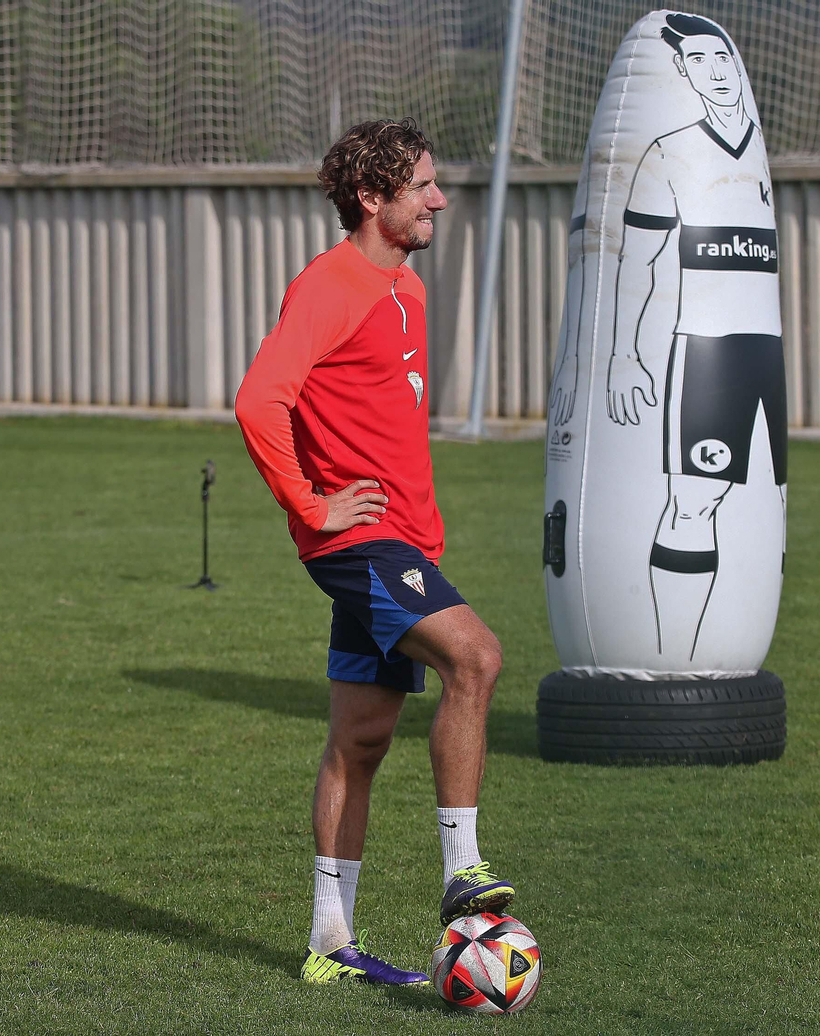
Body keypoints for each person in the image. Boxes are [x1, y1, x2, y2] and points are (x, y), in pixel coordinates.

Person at [234, 118, 515, 986]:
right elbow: (259, 401)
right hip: (359, 542)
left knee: (360, 740)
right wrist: (311, 505)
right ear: (370, 197)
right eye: (421, 185)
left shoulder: (408, 289)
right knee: (476, 658)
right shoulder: (330, 285)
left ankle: (330, 942)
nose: (439, 200)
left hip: (404, 542)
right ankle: (463, 871)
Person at [602, 12, 789, 661]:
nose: (717, 70)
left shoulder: (757, 154)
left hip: (767, 352)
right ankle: (670, 665)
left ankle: (726, 663)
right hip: (708, 354)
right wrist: (624, 354)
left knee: (767, 503)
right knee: (693, 502)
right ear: (683, 73)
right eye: (701, 61)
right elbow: (636, 260)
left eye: (723, 57)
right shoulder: (668, 153)